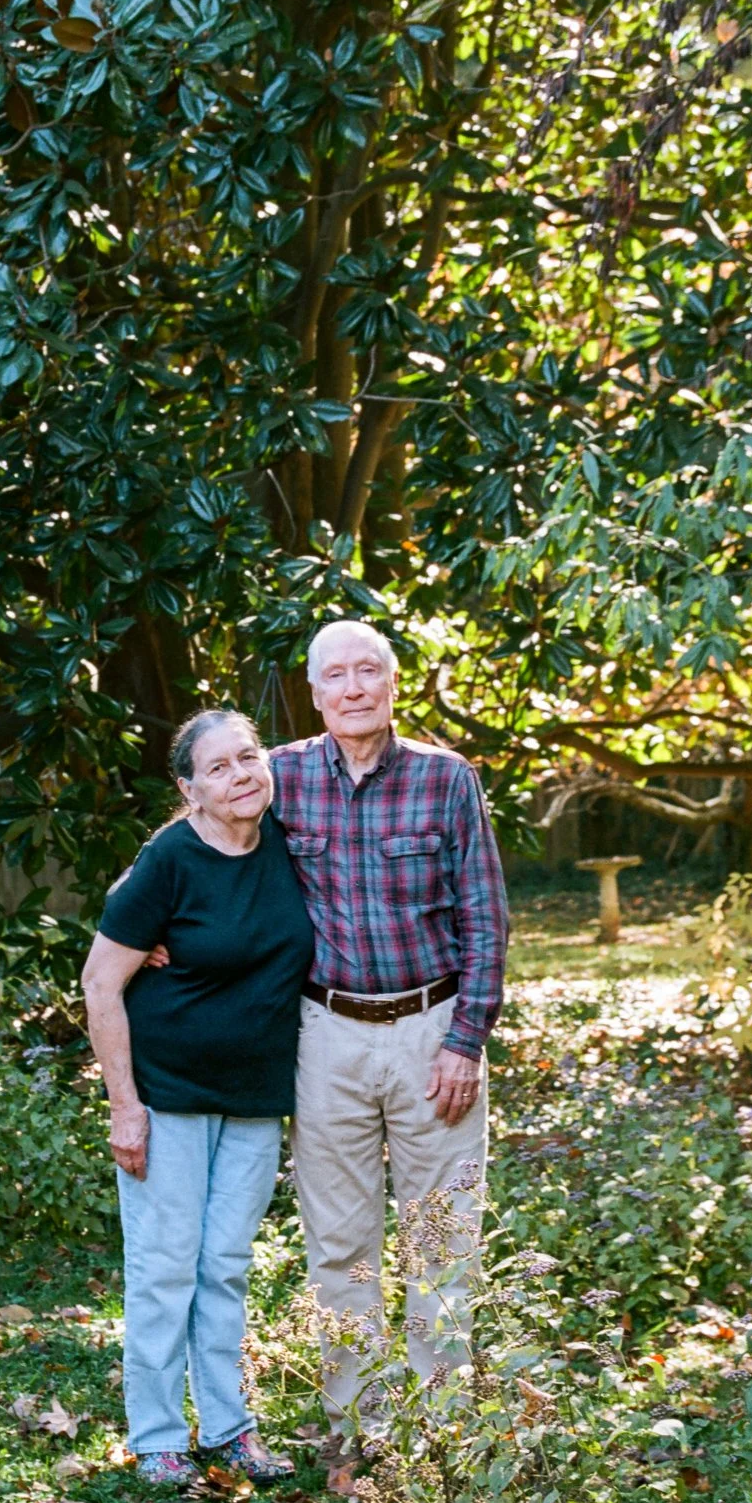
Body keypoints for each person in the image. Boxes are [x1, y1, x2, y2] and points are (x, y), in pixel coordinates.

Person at [271, 620, 509, 1447]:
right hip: (325, 1033)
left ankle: (439, 1432)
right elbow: (201, 842)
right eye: (334, 675)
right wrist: (146, 925)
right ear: (314, 692)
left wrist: (467, 1039)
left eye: (367, 670)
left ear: (393, 681)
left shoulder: (446, 779)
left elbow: (484, 913)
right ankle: (359, 1425)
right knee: (339, 1240)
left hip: (430, 1032)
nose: (352, 688)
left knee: (441, 1235)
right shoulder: (280, 777)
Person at [81, 709, 313, 1488]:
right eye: (217, 767)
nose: (240, 775)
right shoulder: (169, 859)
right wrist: (125, 1108)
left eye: (248, 757)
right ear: (189, 789)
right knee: (163, 1267)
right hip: (168, 1095)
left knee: (224, 1265)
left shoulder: (288, 838)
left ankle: (229, 1427)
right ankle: (154, 1436)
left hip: (253, 1096)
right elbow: (98, 981)